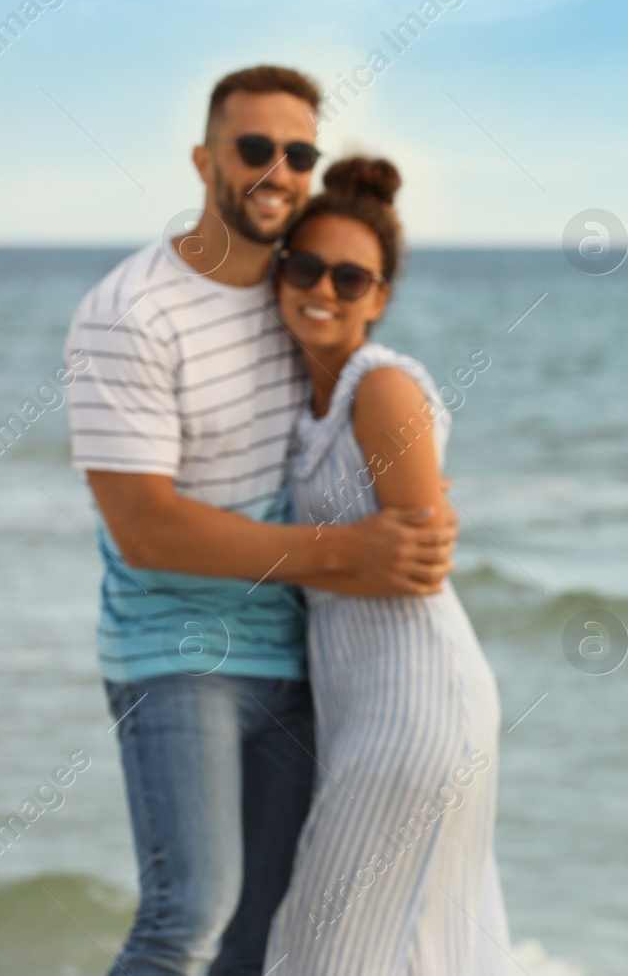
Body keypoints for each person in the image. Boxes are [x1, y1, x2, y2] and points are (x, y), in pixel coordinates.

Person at [64, 66, 457, 976]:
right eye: (253, 147)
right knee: (186, 916)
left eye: (299, 152)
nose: (277, 168)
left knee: (267, 935)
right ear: (205, 159)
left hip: (293, 659)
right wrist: (351, 551)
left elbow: (361, 412)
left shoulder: (295, 295)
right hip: (173, 652)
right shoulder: (129, 314)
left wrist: (426, 507)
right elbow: (147, 529)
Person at [260, 156, 511, 975]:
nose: (322, 288)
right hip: (369, 704)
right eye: (304, 265)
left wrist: (264, 561)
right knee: (415, 950)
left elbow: (419, 561)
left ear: (380, 295)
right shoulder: (307, 404)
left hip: (415, 704)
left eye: (349, 275)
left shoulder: (382, 387)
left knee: (320, 950)